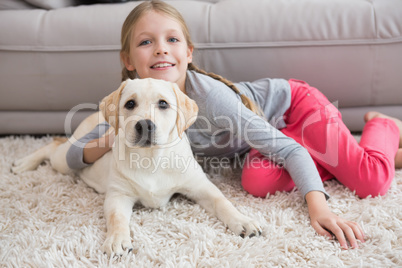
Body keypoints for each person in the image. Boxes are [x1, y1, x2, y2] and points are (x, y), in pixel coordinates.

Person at [66, 0, 402, 250]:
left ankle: (383, 127)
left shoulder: (211, 98)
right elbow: (73, 157)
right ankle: (339, 156)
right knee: (255, 181)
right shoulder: (130, 105)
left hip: (294, 110)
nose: (160, 50)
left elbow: (287, 149)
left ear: (188, 53)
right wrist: (119, 134)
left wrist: (320, 209)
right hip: (263, 139)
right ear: (128, 60)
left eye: (172, 40)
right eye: (145, 42)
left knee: (370, 179)